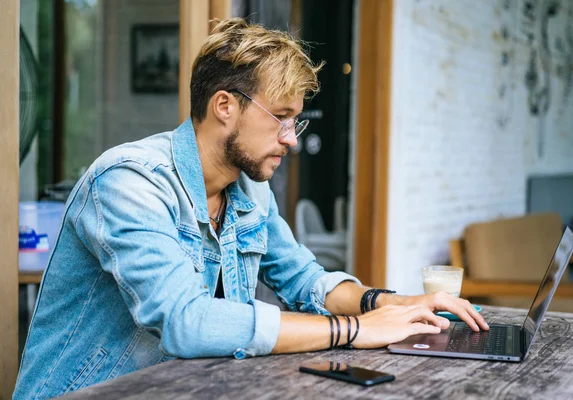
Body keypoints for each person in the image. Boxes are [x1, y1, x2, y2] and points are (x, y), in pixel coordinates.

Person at [13, 18, 488, 399]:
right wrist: (354, 329)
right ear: (225, 105)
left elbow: (305, 280)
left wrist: (395, 305)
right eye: (280, 118)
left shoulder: (250, 190)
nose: (290, 139)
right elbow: (185, 321)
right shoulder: (130, 182)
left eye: (295, 122)